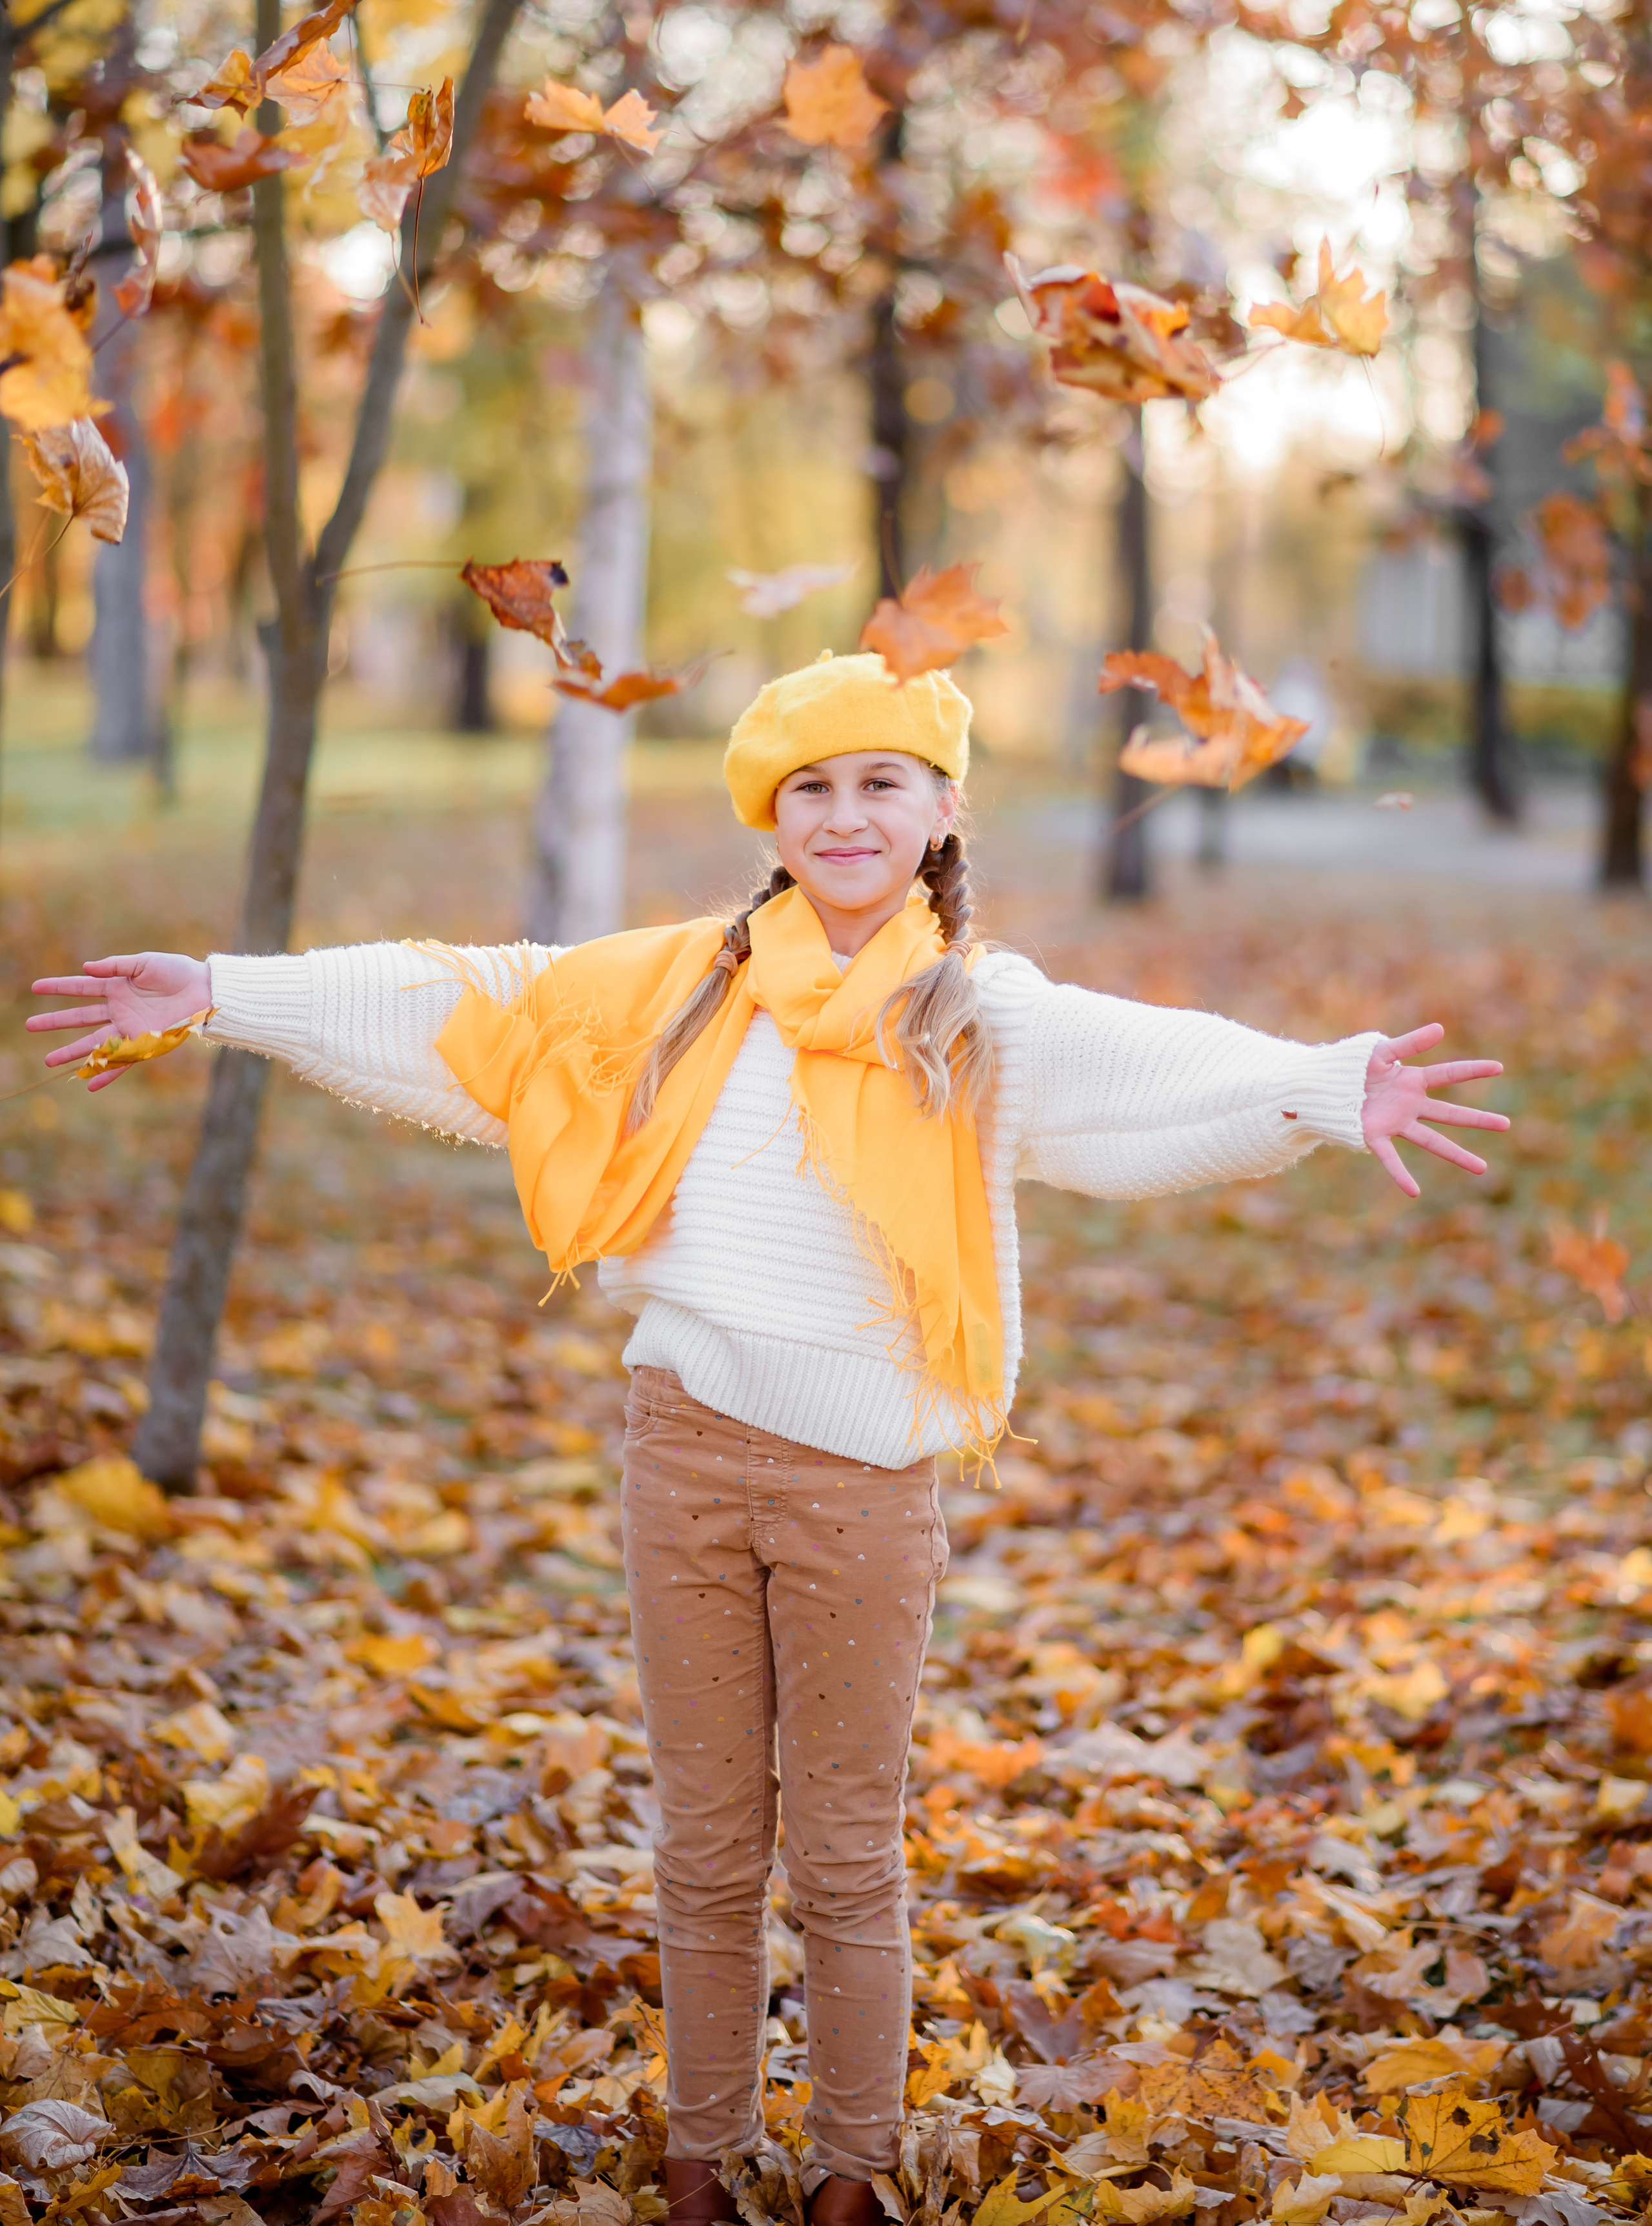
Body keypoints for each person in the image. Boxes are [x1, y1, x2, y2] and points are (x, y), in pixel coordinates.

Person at [29, 651, 1507, 2226]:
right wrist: (221, 992)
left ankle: (852, 2180)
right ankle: (698, 2162)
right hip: (679, 1456)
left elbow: (1143, 1076)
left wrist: (1318, 1088)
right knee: (706, 1848)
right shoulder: (678, 989)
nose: (845, 813)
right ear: (770, 814)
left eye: (880, 782)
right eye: (810, 785)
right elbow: (466, 1002)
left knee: (848, 1862)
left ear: (941, 810)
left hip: (864, 1491)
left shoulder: (969, 1011)